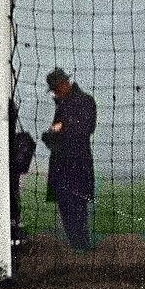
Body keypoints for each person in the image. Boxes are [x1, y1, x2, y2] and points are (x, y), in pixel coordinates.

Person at [41, 67, 97, 251]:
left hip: (77, 166)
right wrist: (51, 134)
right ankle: (77, 248)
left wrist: (59, 129)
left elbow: (84, 129)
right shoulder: (63, 103)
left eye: (56, 88)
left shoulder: (85, 101)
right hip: (62, 167)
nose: (55, 93)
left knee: (77, 210)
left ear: (65, 83)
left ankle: (82, 248)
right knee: (66, 210)